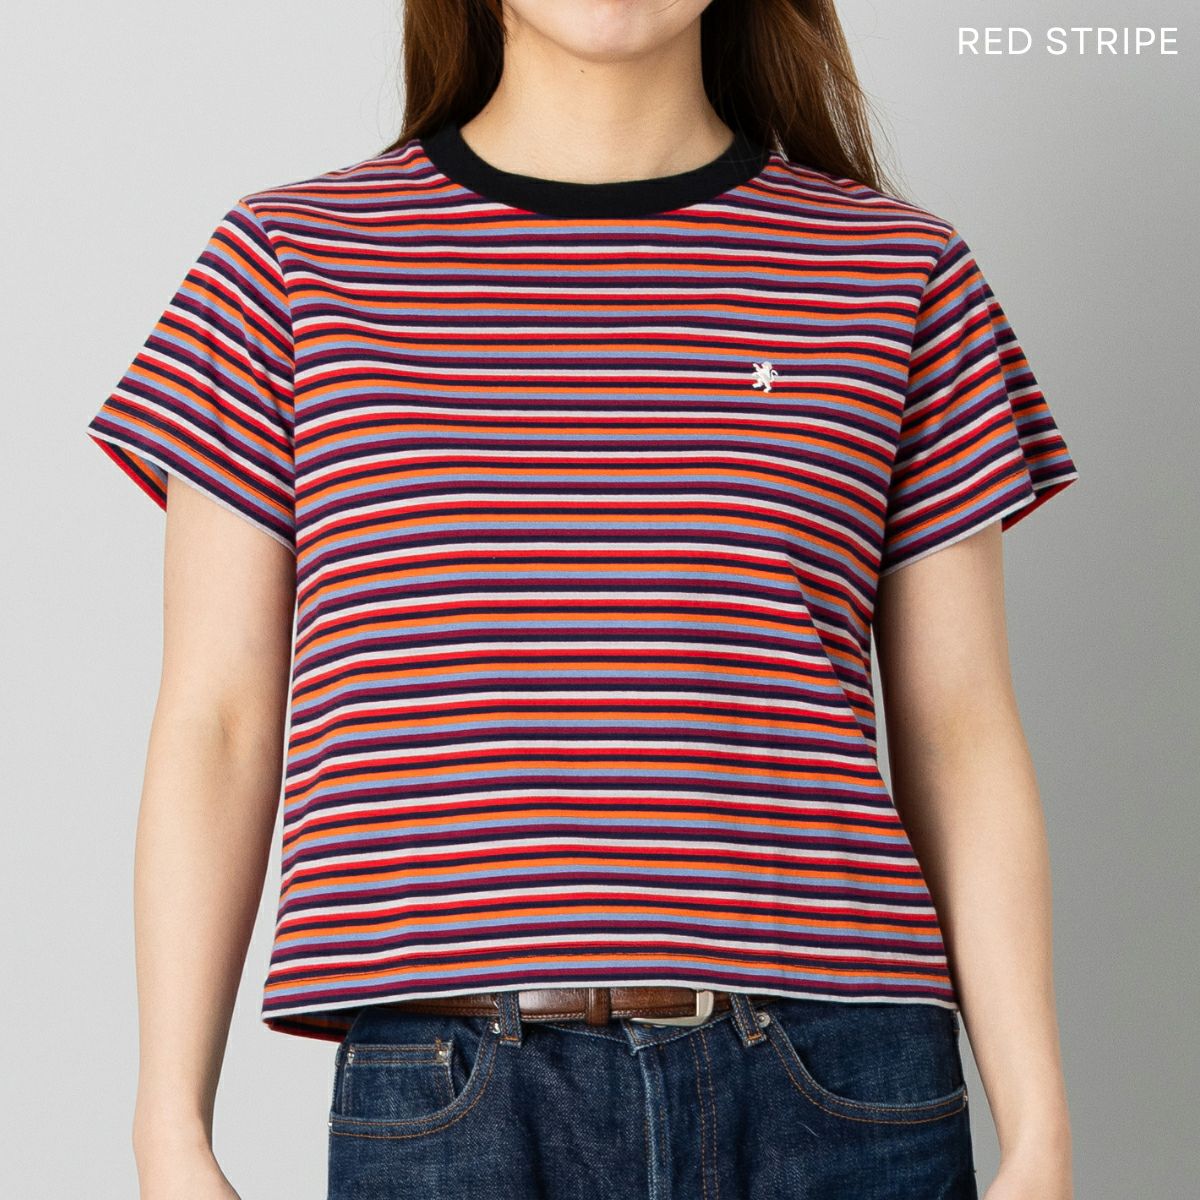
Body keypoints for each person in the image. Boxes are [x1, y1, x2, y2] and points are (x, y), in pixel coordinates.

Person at [86, 2, 1081, 1198]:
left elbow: (959, 726)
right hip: (454, 1087)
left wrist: (1040, 1133)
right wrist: (169, 1133)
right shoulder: (288, 265)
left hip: (836, 1079)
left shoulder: (895, 270)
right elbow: (217, 720)